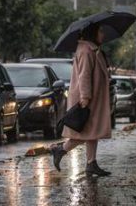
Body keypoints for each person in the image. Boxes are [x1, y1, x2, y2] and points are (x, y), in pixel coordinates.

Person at [50, 23, 112, 176]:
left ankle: (91, 163)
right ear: (93, 33)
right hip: (87, 98)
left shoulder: (93, 50)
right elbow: (84, 76)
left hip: (94, 98)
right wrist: (85, 97)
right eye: (100, 31)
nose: (103, 35)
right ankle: (61, 150)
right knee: (83, 133)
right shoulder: (86, 50)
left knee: (93, 131)